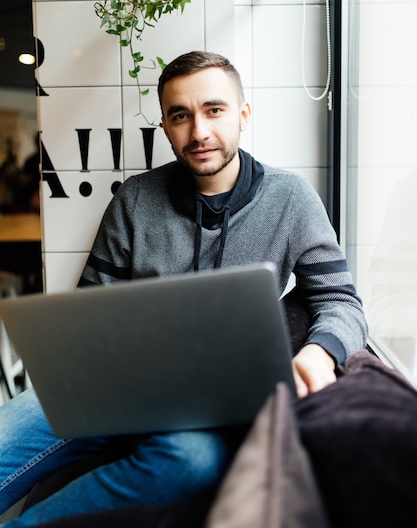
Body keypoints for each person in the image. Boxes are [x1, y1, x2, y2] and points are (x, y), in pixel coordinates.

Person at [0, 51, 368, 526]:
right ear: (166, 124)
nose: (198, 132)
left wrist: (321, 352)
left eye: (213, 110)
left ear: (242, 114)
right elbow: (88, 308)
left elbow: (340, 300)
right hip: (115, 386)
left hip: (209, 404)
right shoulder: (135, 199)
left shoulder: (291, 198)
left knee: (192, 462)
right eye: (181, 116)